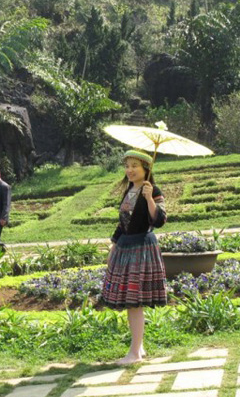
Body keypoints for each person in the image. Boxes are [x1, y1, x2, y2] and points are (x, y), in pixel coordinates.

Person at [101, 150, 168, 365]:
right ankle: (139, 346)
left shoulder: (153, 190)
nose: (129, 170)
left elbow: (158, 221)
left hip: (141, 249)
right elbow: (123, 224)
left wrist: (149, 199)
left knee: (134, 302)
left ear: (146, 169)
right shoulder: (129, 190)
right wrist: (114, 246)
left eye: (134, 166)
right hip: (125, 248)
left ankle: (135, 353)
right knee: (133, 301)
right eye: (127, 166)